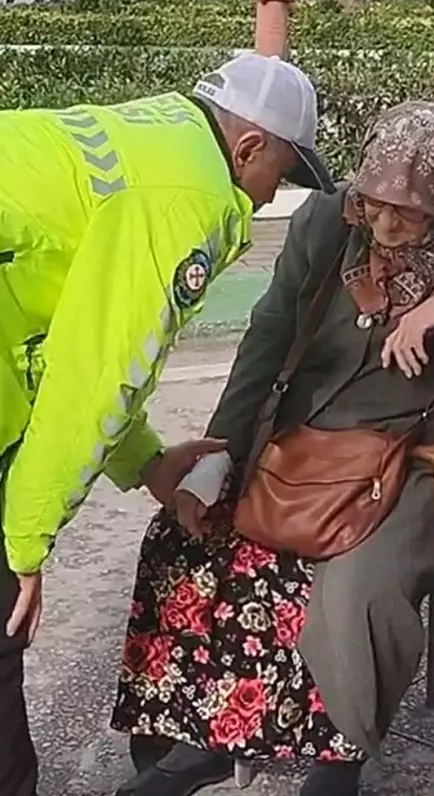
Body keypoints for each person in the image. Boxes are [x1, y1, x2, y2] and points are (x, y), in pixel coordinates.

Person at [107, 101, 434, 796]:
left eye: (410, 212)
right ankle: (209, 733)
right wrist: (216, 461)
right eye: (375, 203)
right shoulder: (329, 220)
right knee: (188, 536)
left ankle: (339, 759)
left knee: (358, 583)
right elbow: (266, 342)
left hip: (414, 461)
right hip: (301, 445)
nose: (387, 225)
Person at [0, 52, 335, 796]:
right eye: (279, 174)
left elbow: (80, 334)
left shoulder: (159, 132)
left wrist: (151, 463)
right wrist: (24, 544)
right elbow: (94, 378)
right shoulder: (188, 197)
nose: (271, 194)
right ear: (249, 147)